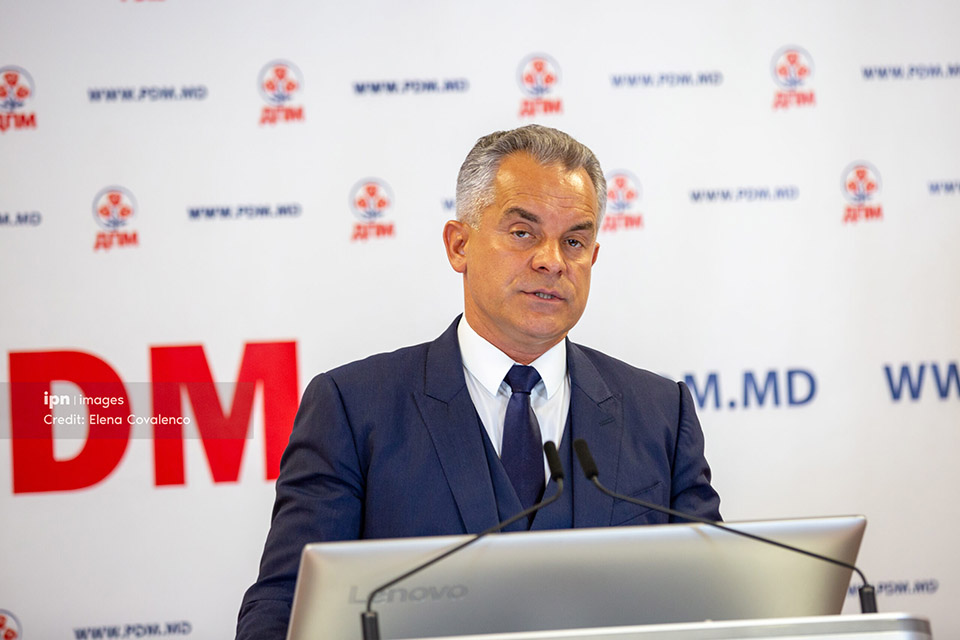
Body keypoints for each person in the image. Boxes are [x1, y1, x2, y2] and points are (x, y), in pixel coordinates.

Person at [235, 125, 721, 639]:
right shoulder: (353, 409)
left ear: (592, 258)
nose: (551, 261)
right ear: (459, 245)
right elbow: (286, 606)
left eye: (574, 241)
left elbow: (714, 597)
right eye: (523, 232)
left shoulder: (661, 412)